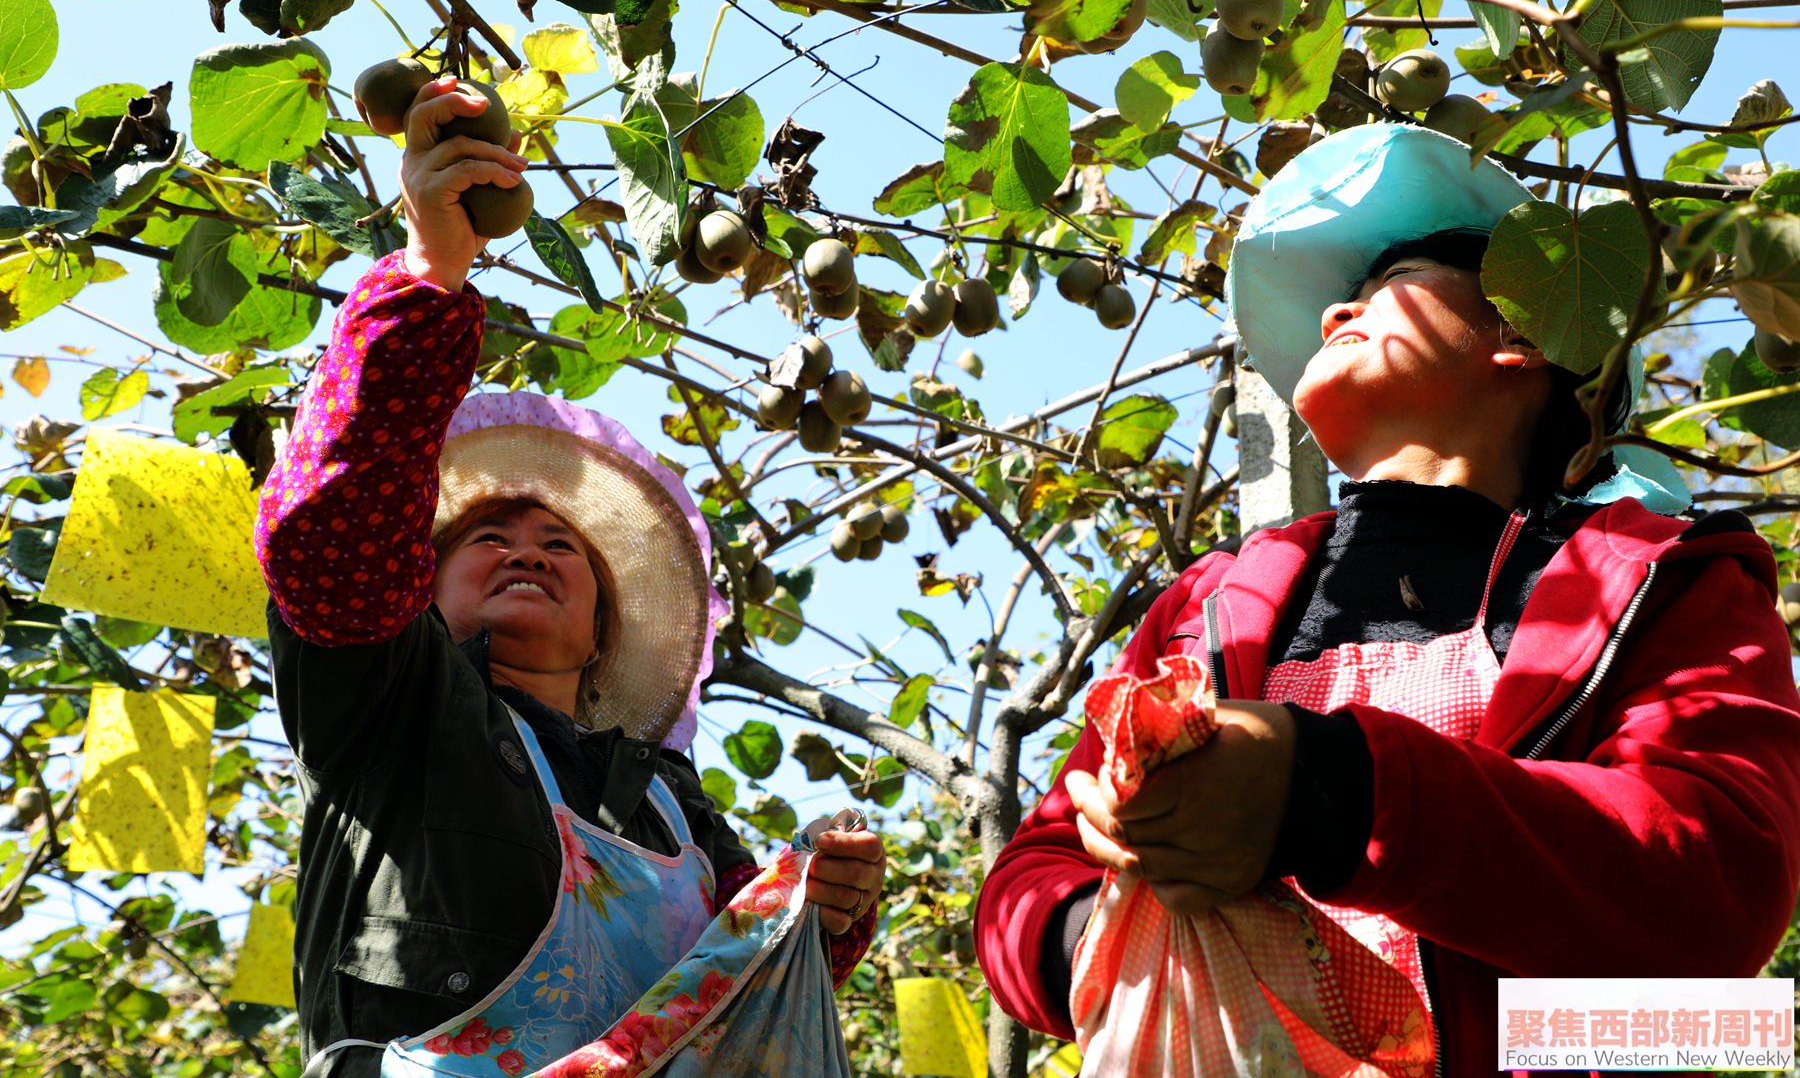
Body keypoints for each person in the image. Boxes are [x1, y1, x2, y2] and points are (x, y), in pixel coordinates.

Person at [974, 122, 1800, 1074]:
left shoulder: (1662, 577)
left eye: (1387, 282)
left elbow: (1715, 906)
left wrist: (1330, 791)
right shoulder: (1204, 604)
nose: (1335, 314)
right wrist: (1113, 928)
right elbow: (1027, 882)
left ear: (1521, 335)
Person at [257, 75, 886, 1078]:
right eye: (487, 536)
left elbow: (737, 997)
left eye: (561, 547)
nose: (527, 550)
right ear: (415, 584)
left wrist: (824, 907)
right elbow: (332, 534)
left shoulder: (674, 804)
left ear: (603, 628)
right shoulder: (390, 708)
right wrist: (430, 272)